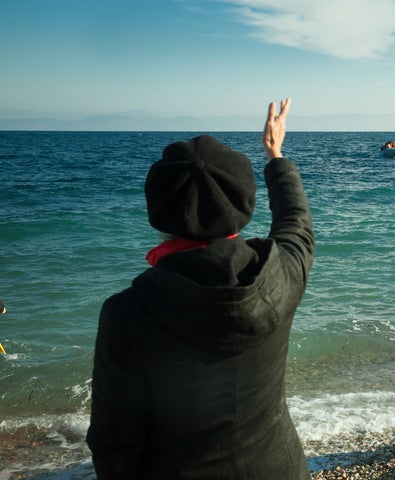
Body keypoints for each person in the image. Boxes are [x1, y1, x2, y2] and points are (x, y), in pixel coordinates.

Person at [86, 98, 315, 479]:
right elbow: (296, 223)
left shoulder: (127, 313)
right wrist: (275, 155)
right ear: (242, 203)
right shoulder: (280, 276)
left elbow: (114, 443)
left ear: (158, 208)